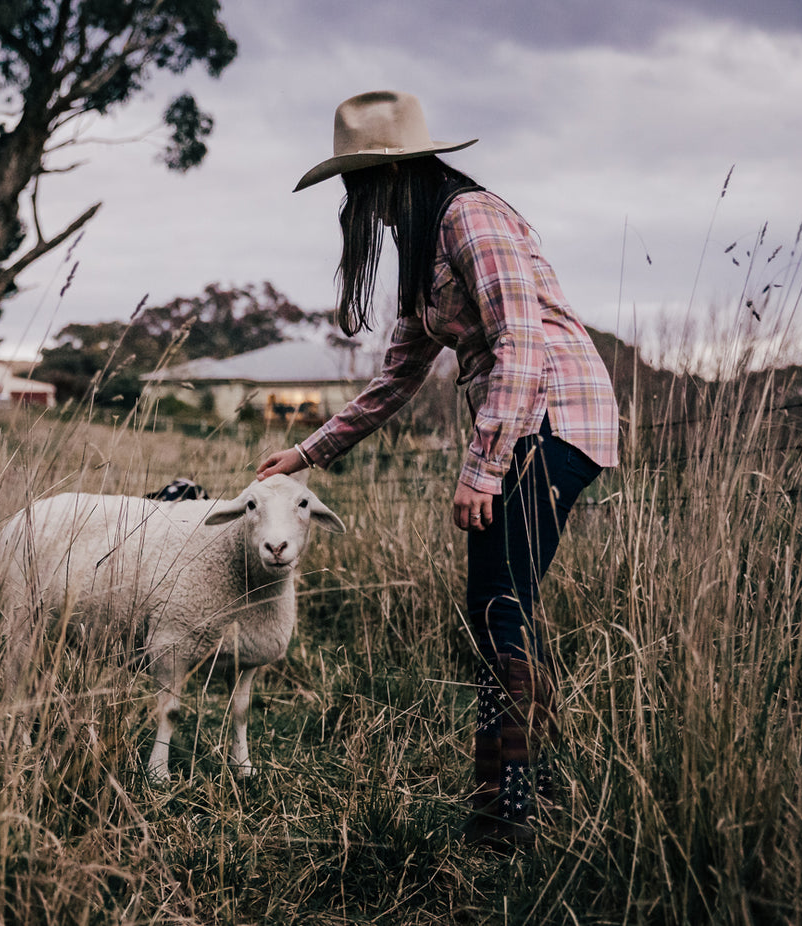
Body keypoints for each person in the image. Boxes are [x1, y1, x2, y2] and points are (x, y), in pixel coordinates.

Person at [257, 90, 619, 846]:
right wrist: (308, 451)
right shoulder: (426, 246)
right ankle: (528, 788)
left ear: (397, 171)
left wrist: (485, 468)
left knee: (495, 605)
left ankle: (504, 813)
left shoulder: (470, 218)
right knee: (505, 604)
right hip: (529, 422)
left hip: (552, 417)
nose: (363, 204)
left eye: (363, 182)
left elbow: (521, 341)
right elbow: (394, 379)